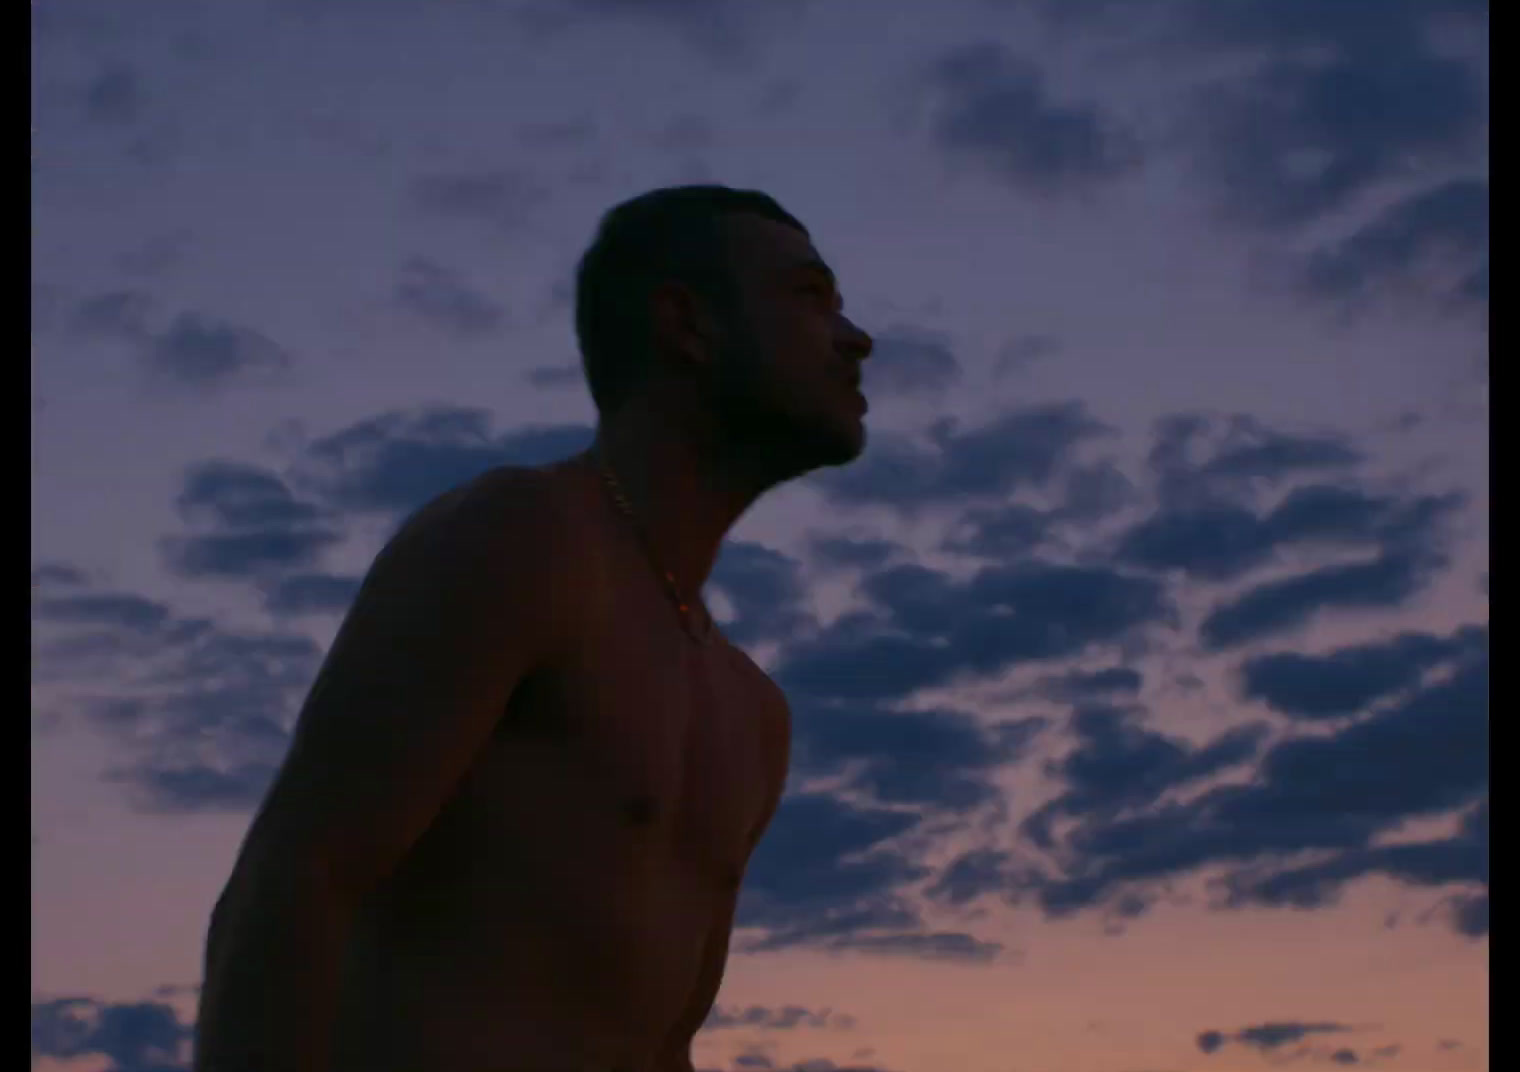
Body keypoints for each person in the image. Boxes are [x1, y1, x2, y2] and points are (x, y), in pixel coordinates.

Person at [193, 185, 875, 1072]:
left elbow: (661, 1044)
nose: (855, 336)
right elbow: (294, 886)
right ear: (689, 326)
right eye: (810, 296)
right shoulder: (524, 540)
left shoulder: (752, 711)